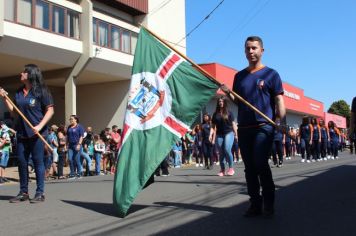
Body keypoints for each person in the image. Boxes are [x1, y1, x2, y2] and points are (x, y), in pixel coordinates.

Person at [228, 36, 285, 217]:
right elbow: (238, 101)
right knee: (250, 168)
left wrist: (279, 120)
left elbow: (279, 100)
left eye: (254, 48)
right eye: (247, 49)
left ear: (262, 50)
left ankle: (269, 202)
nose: (250, 52)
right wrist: (227, 93)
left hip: (264, 126)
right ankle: (255, 204)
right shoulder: (239, 76)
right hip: (245, 127)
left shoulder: (271, 74)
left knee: (260, 163)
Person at [0, 64, 54, 203]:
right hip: (22, 132)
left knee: (38, 162)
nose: (21, 73)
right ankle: (23, 192)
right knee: (22, 162)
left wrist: (40, 125)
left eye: (24, 72)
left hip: (37, 133)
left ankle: (40, 193)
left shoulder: (42, 91)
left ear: (30, 74)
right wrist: (5, 98)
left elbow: (50, 111)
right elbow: (14, 111)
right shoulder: (19, 92)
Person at [212, 96, 237, 177]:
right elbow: (213, 126)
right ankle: (222, 170)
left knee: (227, 149)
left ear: (225, 103)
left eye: (222, 101)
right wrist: (210, 135)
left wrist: (236, 134)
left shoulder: (229, 113)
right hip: (219, 134)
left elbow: (233, 124)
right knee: (221, 152)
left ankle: (231, 168)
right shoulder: (215, 114)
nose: (220, 103)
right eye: (219, 101)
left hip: (229, 133)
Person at [66, 115, 85, 179]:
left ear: (75, 120)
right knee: (70, 159)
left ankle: (79, 173)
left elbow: (81, 136)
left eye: (72, 119)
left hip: (77, 144)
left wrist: (79, 144)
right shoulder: (69, 127)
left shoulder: (79, 127)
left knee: (77, 160)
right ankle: (72, 173)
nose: (70, 120)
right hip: (70, 145)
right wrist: (66, 144)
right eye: (70, 119)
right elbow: (67, 137)